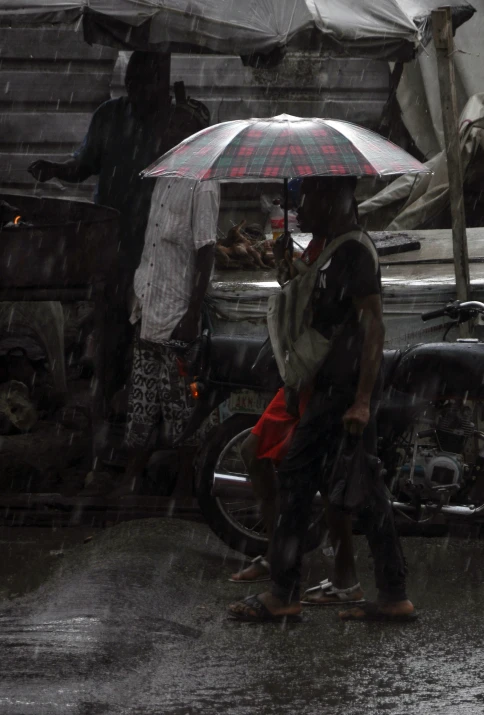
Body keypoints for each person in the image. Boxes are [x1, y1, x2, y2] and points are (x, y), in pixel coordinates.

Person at [229, 176, 416, 622]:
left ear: (336, 199)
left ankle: (286, 591)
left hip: (345, 392)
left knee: (304, 479)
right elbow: (324, 310)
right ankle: (390, 595)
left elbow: (374, 327)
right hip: (329, 389)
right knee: (361, 492)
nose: (301, 206)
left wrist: (363, 400)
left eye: (310, 197)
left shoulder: (354, 251)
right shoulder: (332, 249)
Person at [27, 51, 184, 392]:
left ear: (162, 85)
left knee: (154, 331)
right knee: (112, 326)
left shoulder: (179, 122)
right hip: (113, 243)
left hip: (163, 246)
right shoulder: (110, 117)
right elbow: (82, 164)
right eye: (131, 83)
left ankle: (146, 401)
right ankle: (110, 397)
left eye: (146, 83)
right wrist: (56, 170)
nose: (137, 91)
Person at [106, 110, 220, 499]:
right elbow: (152, 243)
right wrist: (136, 289)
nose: (168, 136)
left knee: (179, 404)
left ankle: (188, 483)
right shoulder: (163, 177)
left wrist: (191, 313)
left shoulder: (202, 184)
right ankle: (133, 474)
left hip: (176, 313)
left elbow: (206, 252)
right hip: (148, 304)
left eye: (176, 129)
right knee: (141, 397)